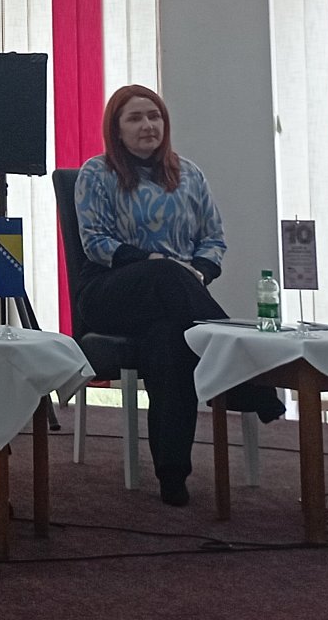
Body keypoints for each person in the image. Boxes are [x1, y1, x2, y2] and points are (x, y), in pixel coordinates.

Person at [73, 84, 283, 507]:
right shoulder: (96, 173)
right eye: (135, 118)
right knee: (166, 274)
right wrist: (158, 262)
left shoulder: (189, 174)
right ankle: (244, 372)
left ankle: (172, 475)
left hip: (175, 299)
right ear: (116, 128)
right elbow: (96, 243)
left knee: (170, 338)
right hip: (109, 292)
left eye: (154, 116)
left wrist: (198, 272)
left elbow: (214, 240)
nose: (148, 125)